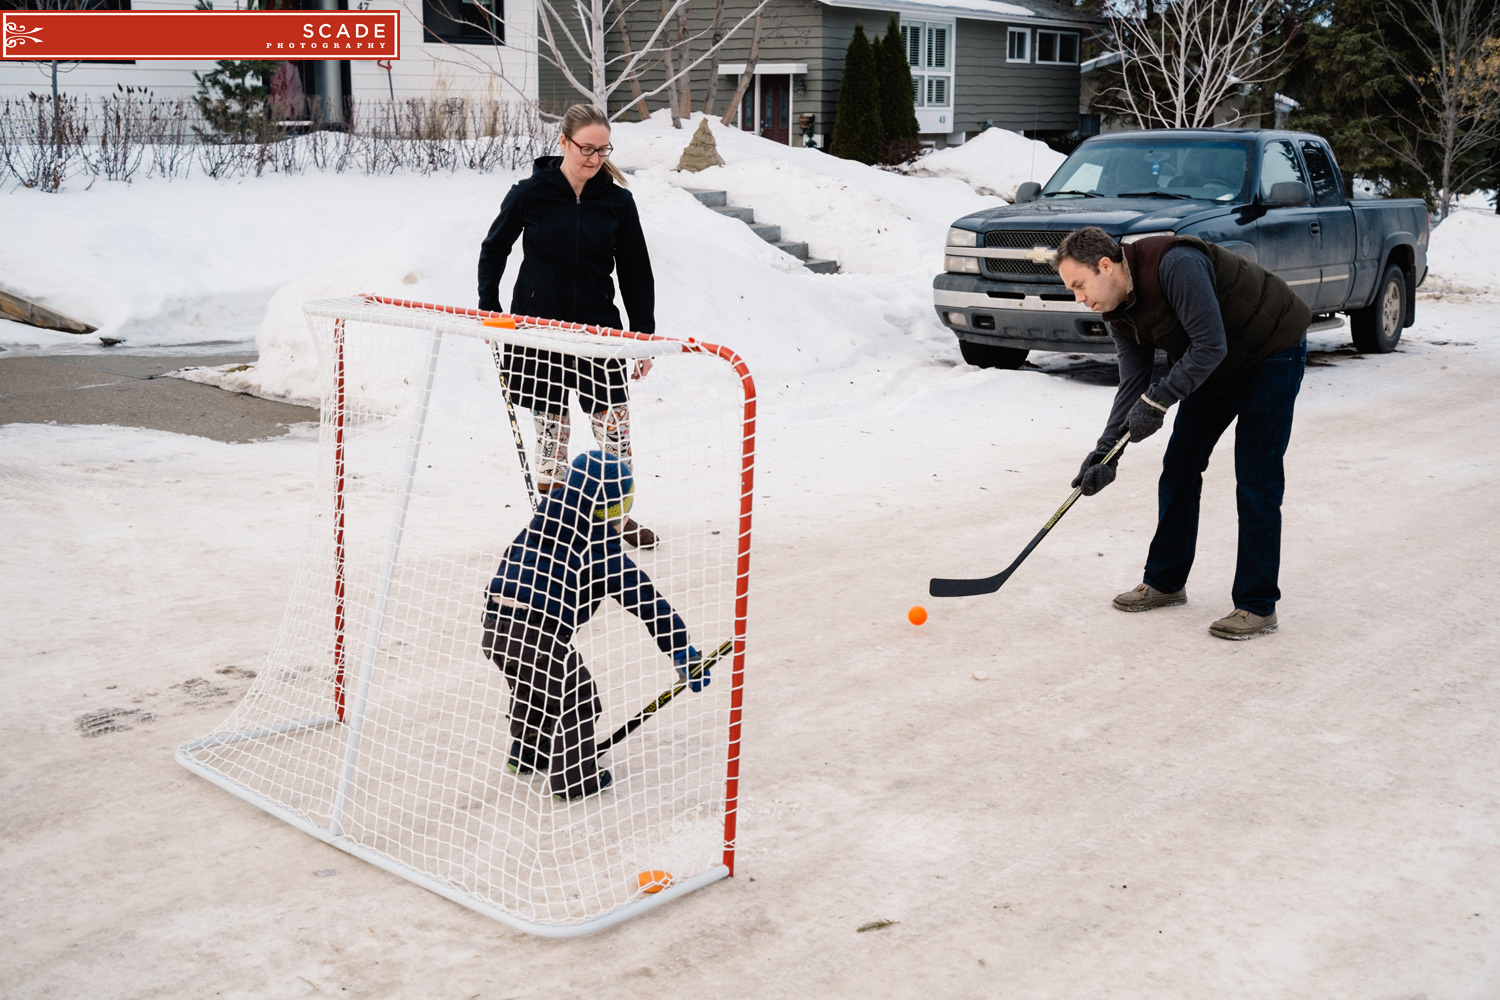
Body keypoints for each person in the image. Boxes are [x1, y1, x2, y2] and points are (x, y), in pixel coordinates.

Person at [1054, 226, 1310, 640]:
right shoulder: (1117, 309)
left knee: (1255, 477)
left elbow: (1209, 345)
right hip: (1213, 364)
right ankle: (1165, 581)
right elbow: (1133, 385)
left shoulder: (1176, 264)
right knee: (1179, 466)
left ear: (1105, 265)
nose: (1079, 298)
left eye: (1080, 285)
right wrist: (1106, 452)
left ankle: (1257, 605)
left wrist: (1158, 403)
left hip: (1270, 351)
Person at [477, 102, 658, 548]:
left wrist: (643, 337)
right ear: (563, 142)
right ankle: (553, 525)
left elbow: (636, 272)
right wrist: (490, 308)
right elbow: (493, 249)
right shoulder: (530, 193)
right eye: (586, 148)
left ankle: (615, 522)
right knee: (552, 433)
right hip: (537, 330)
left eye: (602, 149)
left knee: (614, 432)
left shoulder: (617, 201)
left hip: (599, 333)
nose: (594, 158)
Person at [481, 449, 706, 801]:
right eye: (622, 508)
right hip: (538, 633)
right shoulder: (601, 549)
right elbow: (648, 602)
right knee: (579, 698)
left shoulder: (543, 520)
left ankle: (527, 754)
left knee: (532, 688)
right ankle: (574, 780)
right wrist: (681, 650)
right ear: (610, 509)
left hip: (495, 626)